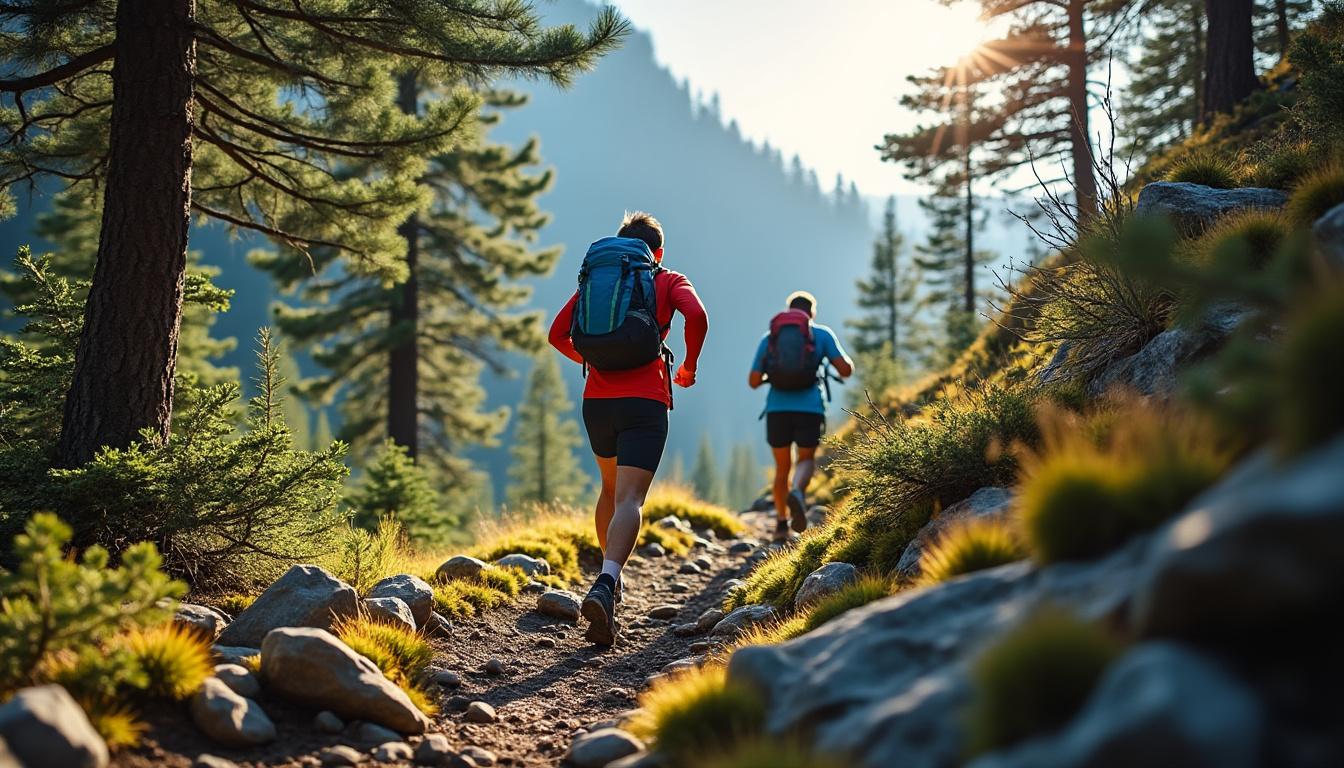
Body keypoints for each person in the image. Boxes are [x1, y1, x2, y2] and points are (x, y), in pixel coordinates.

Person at [549, 211, 708, 646]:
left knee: (609, 489)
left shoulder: (598, 281)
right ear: (656, 251)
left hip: (597, 402)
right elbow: (697, 317)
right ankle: (607, 582)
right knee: (631, 498)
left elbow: (557, 334)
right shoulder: (668, 279)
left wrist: (594, 363)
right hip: (645, 402)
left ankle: (609, 579)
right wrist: (689, 366)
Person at [749, 291, 853, 542]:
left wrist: (771, 377)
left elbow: (753, 380)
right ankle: (798, 491)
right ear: (812, 313)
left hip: (777, 409)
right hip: (810, 409)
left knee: (781, 468)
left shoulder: (771, 337)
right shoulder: (822, 335)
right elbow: (846, 370)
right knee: (805, 459)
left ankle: (781, 525)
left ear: (789, 311)